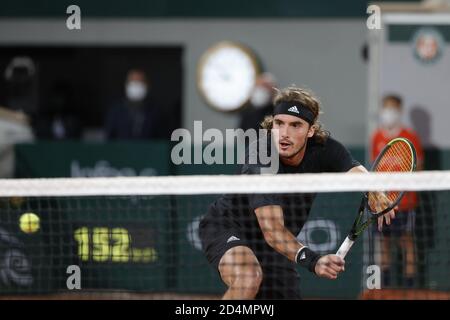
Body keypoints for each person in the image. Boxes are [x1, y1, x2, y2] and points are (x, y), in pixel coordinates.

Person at [199, 86, 395, 299]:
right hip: (229, 227)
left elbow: (357, 172)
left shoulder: (325, 149)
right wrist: (314, 261)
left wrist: (376, 191)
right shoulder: (262, 157)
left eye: (295, 125)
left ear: (310, 130)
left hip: (274, 245)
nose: (284, 133)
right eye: (279, 124)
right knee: (248, 277)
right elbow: (272, 230)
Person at [371, 94, 424, 288]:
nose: (389, 112)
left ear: (400, 111)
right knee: (383, 244)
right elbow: (375, 168)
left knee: (407, 242)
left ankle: (410, 288)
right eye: (386, 108)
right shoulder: (376, 137)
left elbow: (419, 168)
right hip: (382, 203)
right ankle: (384, 288)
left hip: (406, 203)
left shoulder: (411, 137)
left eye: (393, 108)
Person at [105, 69, 159, 140]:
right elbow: (109, 138)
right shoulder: (115, 110)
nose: (136, 85)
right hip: (122, 150)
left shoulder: (156, 111)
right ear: (126, 85)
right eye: (133, 82)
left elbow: (161, 139)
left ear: (147, 86)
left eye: (140, 82)